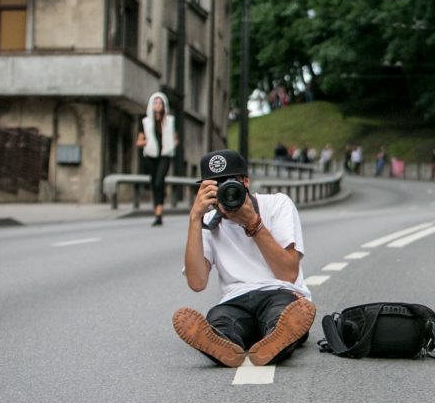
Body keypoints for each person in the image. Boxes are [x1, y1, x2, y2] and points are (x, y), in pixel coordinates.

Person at [172, 149, 316, 368]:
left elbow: (288, 273)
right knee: (219, 319)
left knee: (281, 316)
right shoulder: (208, 221)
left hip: (280, 293)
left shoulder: (277, 204)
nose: (224, 193)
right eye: (214, 186)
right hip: (235, 301)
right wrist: (194, 218)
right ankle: (226, 345)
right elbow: (197, 282)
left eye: (229, 184)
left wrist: (253, 223)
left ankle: (278, 337)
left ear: (245, 182)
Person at [135, 91, 178, 226]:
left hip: (165, 155)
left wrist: (171, 145)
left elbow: (176, 139)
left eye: (160, 102)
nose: (158, 105)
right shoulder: (145, 122)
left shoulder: (170, 121)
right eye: (155, 102)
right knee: (155, 184)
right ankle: (158, 214)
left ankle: (159, 212)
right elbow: (139, 142)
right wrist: (146, 142)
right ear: (151, 105)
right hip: (151, 156)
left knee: (159, 182)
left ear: (164, 105)